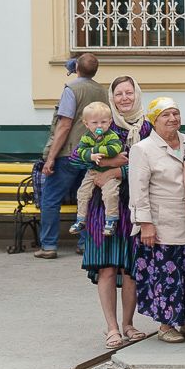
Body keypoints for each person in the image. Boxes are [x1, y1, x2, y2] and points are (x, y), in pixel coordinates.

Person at [81, 76, 149, 348]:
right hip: (103, 207)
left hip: (135, 204)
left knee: (130, 268)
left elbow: (149, 164)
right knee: (107, 268)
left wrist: (116, 169)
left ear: (137, 94)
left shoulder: (146, 126)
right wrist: (109, 163)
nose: (124, 98)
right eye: (118, 93)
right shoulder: (101, 122)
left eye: (128, 92)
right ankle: (111, 328)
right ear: (112, 97)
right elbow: (76, 158)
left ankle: (129, 324)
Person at [131, 97, 185, 343]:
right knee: (167, 275)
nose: (173, 119)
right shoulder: (143, 149)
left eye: (175, 113)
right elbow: (138, 191)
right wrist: (145, 224)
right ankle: (165, 325)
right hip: (162, 224)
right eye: (165, 115)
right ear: (153, 120)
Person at [38, 52, 108, 259]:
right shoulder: (102, 92)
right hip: (94, 154)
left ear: (76, 67)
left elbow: (64, 124)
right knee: (85, 199)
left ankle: (49, 245)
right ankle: (85, 243)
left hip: (69, 153)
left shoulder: (71, 89)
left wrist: (50, 158)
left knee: (51, 199)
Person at [68, 102, 123, 237]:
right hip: (92, 172)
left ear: (110, 122)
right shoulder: (86, 137)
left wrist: (94, 150)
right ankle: (81, 219)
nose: (99, 126)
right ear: (86, 124)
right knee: (82, 193)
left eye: (103, 122)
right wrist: (90, 155)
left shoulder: (111, 136)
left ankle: (111, 220)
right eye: (95, 123)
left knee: (110, 194)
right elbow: (80, 152)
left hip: (109, 172)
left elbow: (114, 149)